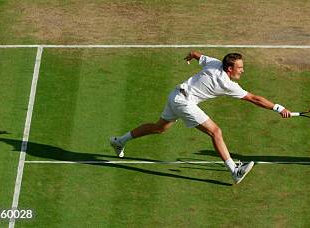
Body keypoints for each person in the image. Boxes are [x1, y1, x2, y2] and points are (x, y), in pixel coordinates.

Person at [110, 51, 292, 184]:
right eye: (240, 67)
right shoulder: (227, 84)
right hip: (184, 102)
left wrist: (192, 55)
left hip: (175, 95)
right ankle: (234, 171)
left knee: (159, 128)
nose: (243, 71)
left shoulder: (214, 63)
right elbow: (254, 99)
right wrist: (279, 108)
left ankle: (119, 141)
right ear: (229, 68)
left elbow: (197, 54)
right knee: (215, 131)